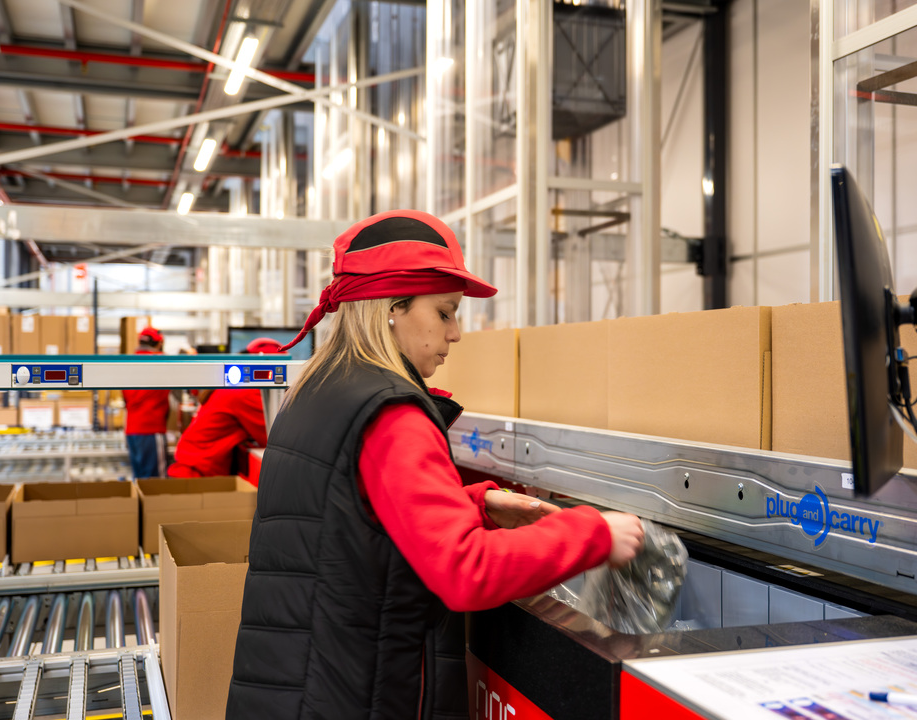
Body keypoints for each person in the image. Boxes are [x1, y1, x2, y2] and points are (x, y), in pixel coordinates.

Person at [226, 210, 644, 719]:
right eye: (445, 312)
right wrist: (595, 534)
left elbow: (349, 522)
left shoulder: (313, 391)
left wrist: (478, 504)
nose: (456, 333)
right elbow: (464, 571)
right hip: (358, 699)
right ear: (392, 308)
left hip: (292, 689)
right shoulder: (391, 411)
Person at [165, 337, 278, 478]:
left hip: (192, 468)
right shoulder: (244, 391)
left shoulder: (235, 386)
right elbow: (274, 436)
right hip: (196, 474)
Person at [122, 326, 170, 479]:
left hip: (131, 430)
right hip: (151, 429)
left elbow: (125, 397)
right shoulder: (161, 361)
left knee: (140, 482)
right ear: (159, 344)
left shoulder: (128, 363)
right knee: (155, 486)